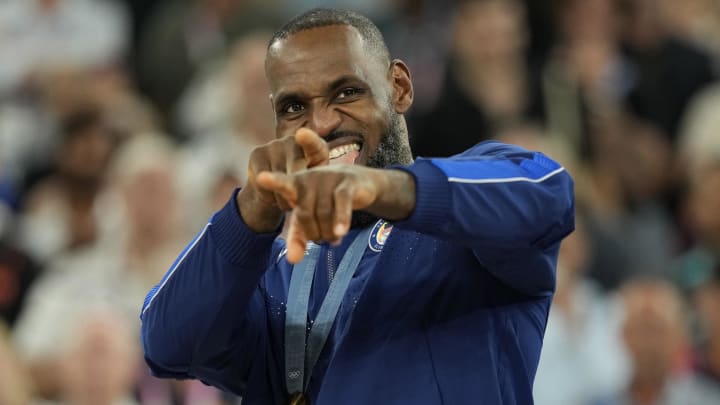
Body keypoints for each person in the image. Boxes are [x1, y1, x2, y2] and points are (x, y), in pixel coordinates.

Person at [140, 8, 574, 405]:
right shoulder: (271, 271)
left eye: (346, 92)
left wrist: (376, 187)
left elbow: (548, 196)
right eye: (294, 107)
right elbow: (167, 345)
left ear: (399, 88)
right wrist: (250, 211)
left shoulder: (468, 226)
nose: (322, 123)